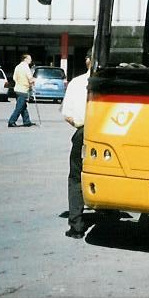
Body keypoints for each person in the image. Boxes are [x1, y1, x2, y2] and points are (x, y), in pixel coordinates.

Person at [62, 52, 91, 239]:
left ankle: (77, 225)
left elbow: (68, 115)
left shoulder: (76, 83)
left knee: (76, 176)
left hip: (83, 133)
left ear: (87, 60)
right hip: (113, 133)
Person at [8, 53, 35, 128]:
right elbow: (30, 77)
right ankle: (11, 121)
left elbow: (14, 78)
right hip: (23, 89)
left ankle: (27, 121)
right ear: (25, 59)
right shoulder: (26, 67)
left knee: (23, 106)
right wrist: (32, 82)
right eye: (29, 59)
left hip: (17, 88)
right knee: (19, 107)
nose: (31, 60)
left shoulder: (18, 67)